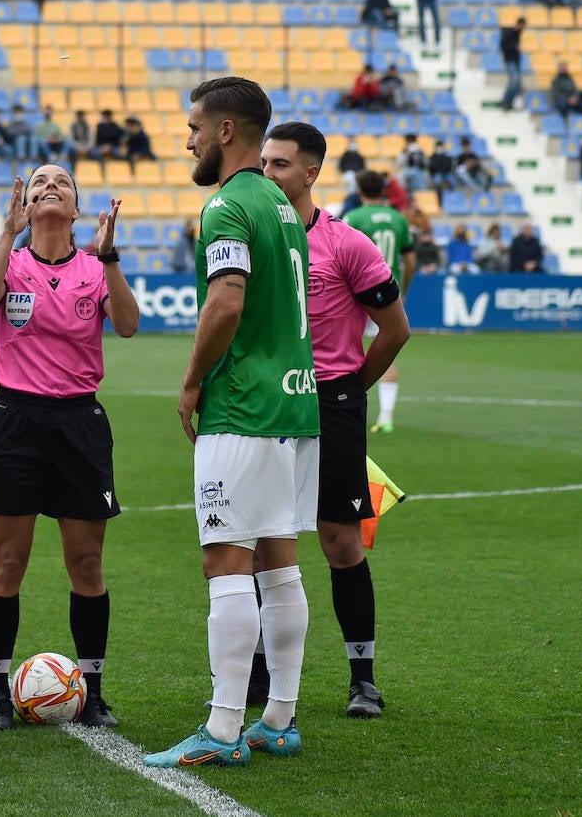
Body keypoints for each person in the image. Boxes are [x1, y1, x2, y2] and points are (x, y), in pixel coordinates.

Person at [145, 77, 319, 770]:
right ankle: (277, 719)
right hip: (294, 404)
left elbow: (225, 304)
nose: (186, 137)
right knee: (280, 563)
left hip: (242, 407)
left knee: (226, 563)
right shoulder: (281, 201)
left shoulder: (226, 204)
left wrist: (191, 382)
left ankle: (221, 731)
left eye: (193, 125)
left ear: (224, 131)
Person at [0, 162, 139, 731]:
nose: (48, 188)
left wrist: (110, 258)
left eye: (60, 183)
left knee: (86, 563)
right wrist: (3, 233)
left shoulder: (94, 269)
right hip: (14, 420)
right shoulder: (11, 262)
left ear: (76, 208)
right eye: (39, 182)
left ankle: (92, 693)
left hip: (79, 425)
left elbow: (129, 325)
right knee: (8, 562)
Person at [261, 122, 410, 719]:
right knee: (261, 543)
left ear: (311, 173)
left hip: (331, 405)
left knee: (339, 541)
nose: (267, 173)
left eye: (279, 165)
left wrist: (349, 390)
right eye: (263, 163)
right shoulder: (254, 239)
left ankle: (363, 678)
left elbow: (395, 329)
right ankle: (256, 678)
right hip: (267, 405)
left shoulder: (348, 243)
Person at [343, 172, 415, 434]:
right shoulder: (398, 219)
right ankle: (386, 417)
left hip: (356, 294)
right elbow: (411, 260)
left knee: (342, 349)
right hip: (387, 293)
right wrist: (402, 289)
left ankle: (344, 402)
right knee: (388, 352)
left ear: (360, 189)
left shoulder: (354, 218)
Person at [499, 17, 526, 111]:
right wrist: (515, 48)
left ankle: (509, 103)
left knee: (517, 83)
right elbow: (503, 46)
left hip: (515, 61)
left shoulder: (518, 34)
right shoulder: (510, 33)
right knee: (514, 80)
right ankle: (505, 102)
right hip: (510, 60)